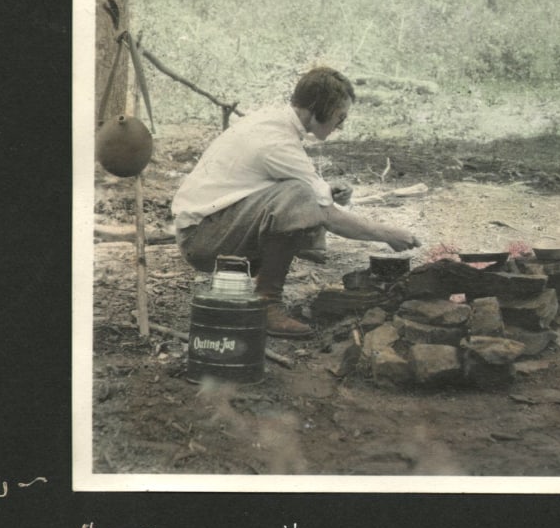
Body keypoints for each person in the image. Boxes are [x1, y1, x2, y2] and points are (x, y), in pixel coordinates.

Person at [171, 67, 420, 337]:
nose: (341, 125)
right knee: (299, 196)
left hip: (211, 226)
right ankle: (267, 304)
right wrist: (387, 234)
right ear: (317, 108)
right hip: (202, 239)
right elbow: (327, 215)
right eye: (339, 117)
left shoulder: (275, 122)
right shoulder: (277, 141)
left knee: (305, 195)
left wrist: (325, 193)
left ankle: (270, 284)